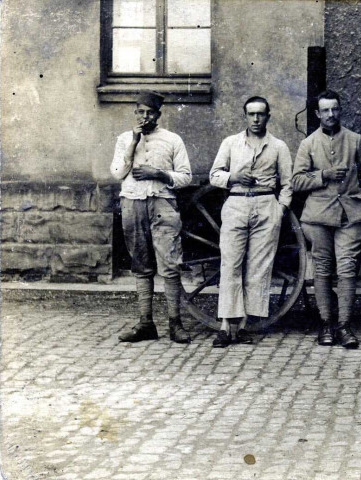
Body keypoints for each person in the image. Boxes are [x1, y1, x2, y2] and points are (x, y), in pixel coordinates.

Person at [292, 90, 361, 349]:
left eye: (335, 109)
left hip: (351, 216)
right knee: (322, 268)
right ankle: (326, 323)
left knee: (347, 266)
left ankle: (344, 325)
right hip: (318, 217)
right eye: (325, 110)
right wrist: (324, 175)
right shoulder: (308, 144)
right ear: (317, 114)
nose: (331, 114)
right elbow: (296, 181)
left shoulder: (355, 140)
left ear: (340, 110)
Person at [208, 96, 293, 348]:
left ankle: (243, 325)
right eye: (251, 114)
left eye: (261, 114)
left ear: (268, 116)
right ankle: (225, 326)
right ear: (245, 116)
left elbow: (288, 184)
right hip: (236, 204)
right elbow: (215, 175)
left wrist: (280, 209)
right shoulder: (231, 143)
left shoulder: (278, 147)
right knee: (230, 263)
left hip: (267, 206)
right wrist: (233, 177)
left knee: (257, 268)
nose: (256, 119)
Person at [111, 91, 192, 344]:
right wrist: (133, 144)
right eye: (140, 112)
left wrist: (158, 173)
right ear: (135, 113)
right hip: (133, 204)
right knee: (141, 264)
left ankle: (175, 323)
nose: (145, 117)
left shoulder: (172, 140)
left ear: (158, 114)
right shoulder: (124, 139)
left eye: (150, 113)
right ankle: (146, 323)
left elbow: (185, 176)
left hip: (163, 204)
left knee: (170, 265)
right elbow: (117, 172)